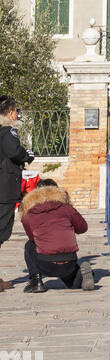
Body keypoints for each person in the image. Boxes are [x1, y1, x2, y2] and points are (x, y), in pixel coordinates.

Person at [19, 178, 94, 292]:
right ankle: (82, 274)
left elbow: (32, 238)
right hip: (69, 262)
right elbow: (83, 228)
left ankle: (36, 282)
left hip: (46, 264)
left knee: (29, 245)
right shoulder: (67, 209)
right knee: (73, 285)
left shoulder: (29, 214)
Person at [0, 94, 34, 291]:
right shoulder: (7, 131)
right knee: (1, 232)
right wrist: (26, 155)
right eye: (16, 111)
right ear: (11, 112)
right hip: (4, 191)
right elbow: (14, 152)